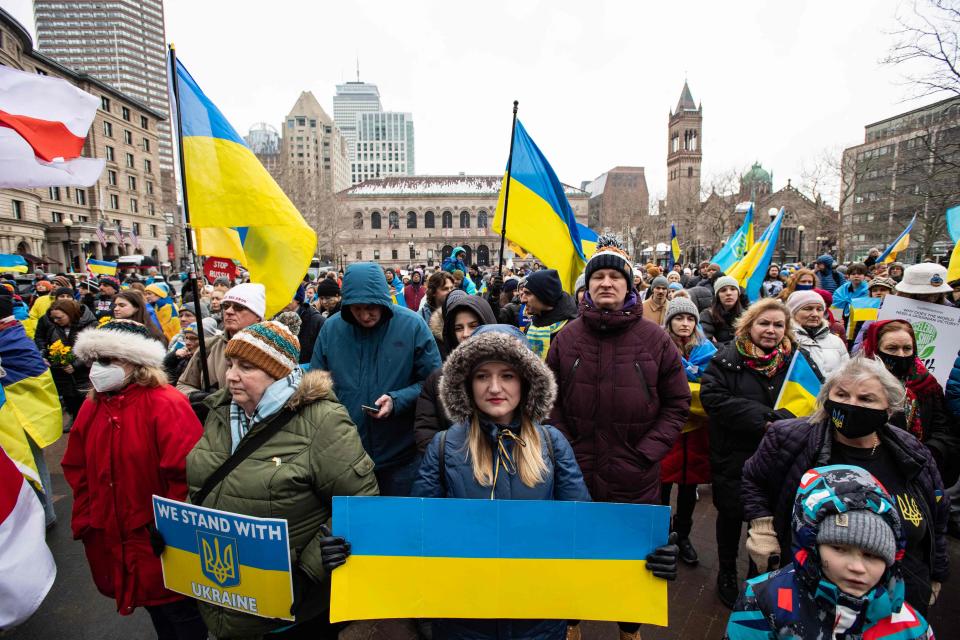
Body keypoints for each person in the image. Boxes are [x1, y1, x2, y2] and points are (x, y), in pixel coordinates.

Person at [183, 320, 379, 638]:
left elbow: (360, 502)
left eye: (246, 366)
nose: (231, 375)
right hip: (222, 593)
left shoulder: (323, 422)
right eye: (231, 364)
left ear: (278, 374)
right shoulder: (219, 412)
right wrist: (175, 532)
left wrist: (308, 571)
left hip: (293, 610)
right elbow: (204, 484)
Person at [546, 236, 689, 634]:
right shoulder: (568, 338)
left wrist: (646, 453)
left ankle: (630, 629)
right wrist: (565, 449)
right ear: (586, 287)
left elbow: (677, 404)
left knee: (632, 558)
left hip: (635, 475)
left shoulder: (656, 339)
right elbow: (547, 398)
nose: (606, 283)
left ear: (629, 286)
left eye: (615, 276)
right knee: (575, 552)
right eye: (599, 277)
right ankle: (571, 624)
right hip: (576, 472)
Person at [740, 356, 950, 615]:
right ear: (827, 396)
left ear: (889, 407)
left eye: (866, 399)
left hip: (897, 596)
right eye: (841, 394)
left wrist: (935, 571)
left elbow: (937, 514)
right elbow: (754, 479)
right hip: (808, 592)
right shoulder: (789, 437)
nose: (851, 405)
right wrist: (762, 527)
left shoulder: (913, 452)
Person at [62, 320, 206, 638]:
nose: (97, 369)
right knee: (155, 609)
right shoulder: (92, 406)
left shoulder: (166, 403)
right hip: (115, 533)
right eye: (94, 360)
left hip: (158, 540)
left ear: (136, 362)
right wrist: (87, 517)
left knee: (179, 611)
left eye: (107, 360)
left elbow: (187, 475)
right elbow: (78, 467)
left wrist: (172, 528)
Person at [727, 465, 935, 639]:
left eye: (872, 555)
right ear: (811, 547)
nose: (857, 567)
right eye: (839, 549)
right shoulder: (762, 600)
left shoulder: (913, 629)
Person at [310, 262, 442, 496]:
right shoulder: (331, 329)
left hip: (401, 455)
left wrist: (397, 399)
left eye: (371, 307)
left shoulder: (412, 326)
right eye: (356, 308)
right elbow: (316, 385)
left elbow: (433, 383)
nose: (364, 315)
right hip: (346, 456)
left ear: (383, 300)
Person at [700, 297, 798, 608]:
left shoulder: (796, 362)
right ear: (749, 325)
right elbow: (713, 398)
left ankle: (759, 575)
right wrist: (765, 420)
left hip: (779, 459)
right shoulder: (726, 359)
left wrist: (786, 422)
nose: (771, 330)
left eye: (778, 325)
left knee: (768, 520)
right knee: (731, 516)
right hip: (735, 456)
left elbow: (809, 400)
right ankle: (727, 570)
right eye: (764, 323)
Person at [860, 320, 959, 486]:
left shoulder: (926, 383)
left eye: (907, 348)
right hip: (873, 472)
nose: (901, 355)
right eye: (892, 348)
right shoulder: (856, 386)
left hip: (919, 469)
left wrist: (928, 452)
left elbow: (942, 428)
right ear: (876, 349)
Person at [660, 297, 716, 566]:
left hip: (696, 432)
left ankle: (683, 535)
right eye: (679, 318)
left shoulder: (708, 352)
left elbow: (712, 392)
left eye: (690, 319)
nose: (685, 323)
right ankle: (659, 533)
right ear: (669, 321)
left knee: (688, 484)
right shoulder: (659, 348)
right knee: (660, 484)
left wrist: (684, 395)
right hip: (665, 427)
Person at [414, 294, 497, 451]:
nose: (465, 334)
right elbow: (426, 430)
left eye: (473, 325)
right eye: (459, 328)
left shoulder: (511, 373)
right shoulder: (438, 378)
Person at [176, 283, 265, 405]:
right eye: (226, 306)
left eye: (238, 307)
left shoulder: (270, 350)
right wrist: (197, 397)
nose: (228, 311)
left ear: (258, 317)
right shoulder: (208, 346)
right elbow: (183, 385)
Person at [35, 298, 97, 421]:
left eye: (59, 318)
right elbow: (43, 340)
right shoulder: (53, 326)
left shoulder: (90, 325)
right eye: (53, 318)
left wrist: (75, 365)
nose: (55, 321)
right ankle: (73, 418)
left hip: (84, 374)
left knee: (86, 403)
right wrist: (44, 354)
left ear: (70, 313)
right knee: (69, 400)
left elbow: (93, 349)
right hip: (61, 372)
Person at [786, 290, 849, 378]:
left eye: (819, 309)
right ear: (793, 312)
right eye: (808, 309)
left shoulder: (836, 341)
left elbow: (846, 374)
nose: (815, 314)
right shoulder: (785, 340)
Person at [519, 268, 578, 360]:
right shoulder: (530, 327)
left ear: (545, 296)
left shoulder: (573, 331)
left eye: (528, 293)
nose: (522, 300)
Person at [281, 284, 324, 365]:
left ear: (297, 299)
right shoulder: (278, 316)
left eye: (286, 297)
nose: (281, 301)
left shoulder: (316, 321)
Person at [700, 275, 746, 347]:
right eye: (723, 290)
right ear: (717, 295)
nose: (728, 293)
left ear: (738, 293)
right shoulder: (707, 315)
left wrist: (719, 344)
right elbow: (706, 344)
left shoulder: (746, 316)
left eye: (733, 289)